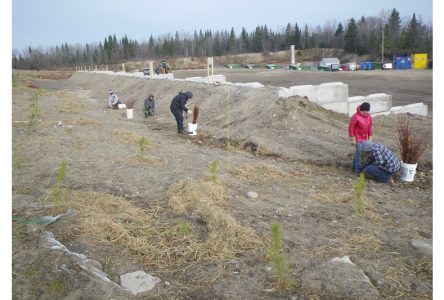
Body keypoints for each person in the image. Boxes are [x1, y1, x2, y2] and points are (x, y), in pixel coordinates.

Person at [348, 102, 373, 173]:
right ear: (362, 110)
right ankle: (357, 169)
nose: (366, 112)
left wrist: (370, 136)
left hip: (364, 138)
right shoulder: (355, 116)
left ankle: (354, 166)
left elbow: (370, 127)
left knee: (359, 152)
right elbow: (351, 128)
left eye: (368, 111)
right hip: (357, 138)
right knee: (359, 152)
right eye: (365, 111)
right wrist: (352, 138)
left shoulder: (369, 116)